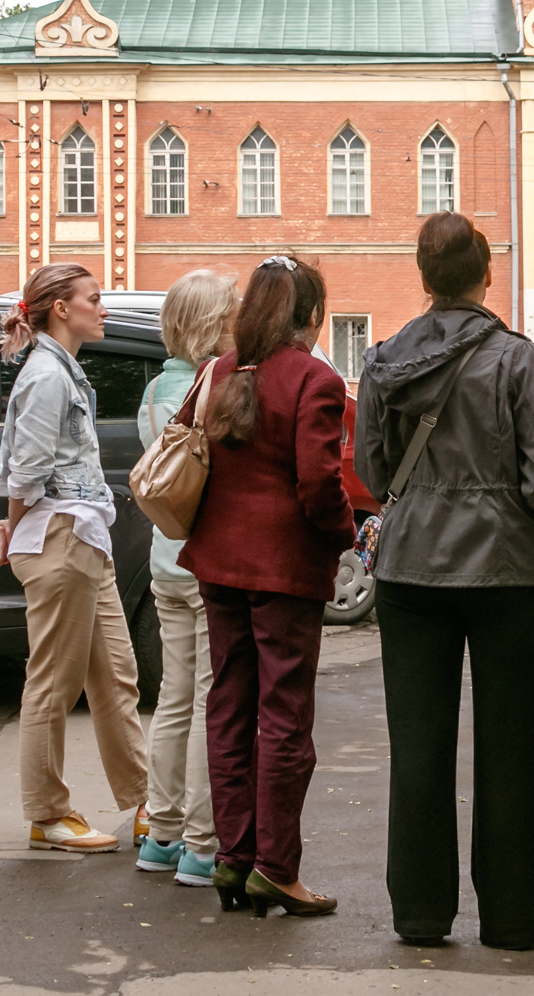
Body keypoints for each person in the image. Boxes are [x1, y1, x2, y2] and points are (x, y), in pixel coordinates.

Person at [354, 213, 534, 949]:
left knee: (416, 746)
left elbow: (374, 473)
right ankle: (511, 918)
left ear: (423, 277)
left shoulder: (385, 357)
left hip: (411, 568)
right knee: (513, 747)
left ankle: (420, 913)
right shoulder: (519, 361)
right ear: (486, 274)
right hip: (506, 572)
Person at [175, 254, 353, 918]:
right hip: (284, 571)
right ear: (308, 314)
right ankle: (277, 868)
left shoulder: (216, 372)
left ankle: (233, 856)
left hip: (217, 562)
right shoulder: (315, 377)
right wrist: (341, 535)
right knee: (283, 718)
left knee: (228, 706)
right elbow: (318, 479)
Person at [0, 262, 151, 854]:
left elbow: (32, 467)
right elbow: (26, 471)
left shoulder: (59, 371)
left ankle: (145, 805)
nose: (103, 310)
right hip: (62, 540)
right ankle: (48, 814)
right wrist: (15, 527)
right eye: (94, 299)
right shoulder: (48, 376)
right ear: (61, 308)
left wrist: (11, 524)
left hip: (81, 538)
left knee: (116, 678)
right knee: (53, 682)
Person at [134, 269, 238, 887]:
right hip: (204, 566)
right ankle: (203, 843)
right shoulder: (214, 390)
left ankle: (162, 835)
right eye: (230, 316)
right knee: (207, 701)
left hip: (163, 562)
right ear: (212, 325)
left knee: (171, 700)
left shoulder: (154, 391)